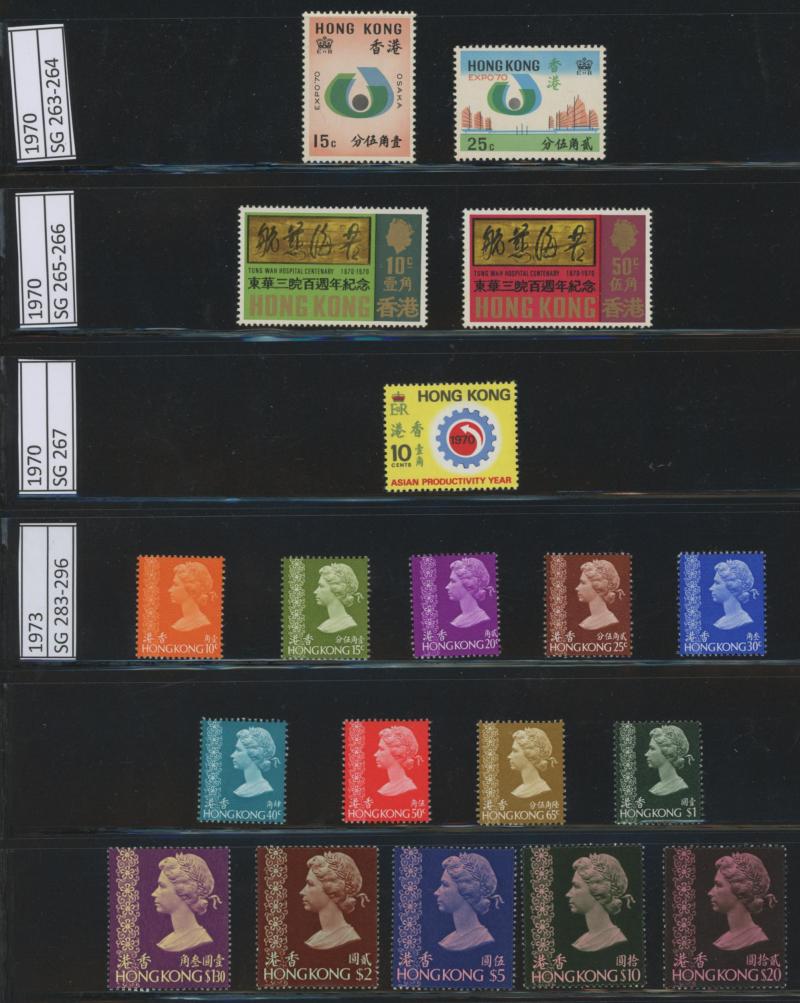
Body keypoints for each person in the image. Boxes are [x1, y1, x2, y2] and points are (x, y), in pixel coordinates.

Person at [152, 853, 220, 951]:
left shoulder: (199, 939)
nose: (154, 893)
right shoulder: (168, 940)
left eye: (162, 886)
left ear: (183, 891)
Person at [434, 852, 502, 951]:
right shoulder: (447, 940)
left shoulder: (482, 939)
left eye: (445, 885)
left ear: (465, 889)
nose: (436, 892)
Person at [567, 853, 634, 952]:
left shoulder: (614, 940)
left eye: (576, 886)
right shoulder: (581, 941)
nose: (568, 894)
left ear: (597, 890)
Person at [709, 852, 776, 951]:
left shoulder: (756, 939)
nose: (710, 892)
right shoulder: (723, 940)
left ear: (739, 890)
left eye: (718, 885)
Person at [301, 852, 368, 949]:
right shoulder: (316, 938)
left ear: (331, 888)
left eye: (310, 884)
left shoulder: (347, 938)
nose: (302, 892)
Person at [508, 727, 556, 798]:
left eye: (515, 751)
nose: (509, 756)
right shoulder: (520, 789)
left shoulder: (541, 789)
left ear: (529, 754)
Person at [231, 727, 278, 798]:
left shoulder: (263, 788)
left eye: (238, 750)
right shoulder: (242, 788)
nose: (232, 755)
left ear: (253, 754)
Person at [314, 563, 361, 633]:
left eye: (321, 586)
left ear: (336, 589)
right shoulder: (326, 624)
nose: (315, 591)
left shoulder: (347, 624)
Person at [374, 725, 420, 796]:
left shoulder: (408, 788)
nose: (375, 754)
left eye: (381, 749)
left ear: (396, 752)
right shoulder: (385, 788)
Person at [168, 561, 214, 632]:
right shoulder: (180, 623)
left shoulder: (200, 623)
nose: (169, 590)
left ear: (191, 589)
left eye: (175, 585)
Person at [575, 560, 621, 630]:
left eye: (583, 583)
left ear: (597, 586)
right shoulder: (587, 621)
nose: (577, 588)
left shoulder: (608, 620)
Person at [645, 725, 691, 797]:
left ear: (667, 752)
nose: (646, 754)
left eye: (652, 748)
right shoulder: (657, 787)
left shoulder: (679, 787)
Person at [445, 558, 491, 628]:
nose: (447, 587)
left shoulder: (480, 618)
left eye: (453, 581)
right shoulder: (459, 619)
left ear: (468, 584)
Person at [710, 560, 755, 630]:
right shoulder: (721, 622)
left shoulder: (743, 620)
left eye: (717, 583)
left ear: (732, 586)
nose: (711, 588)